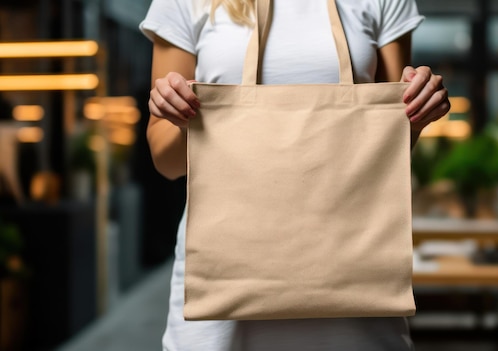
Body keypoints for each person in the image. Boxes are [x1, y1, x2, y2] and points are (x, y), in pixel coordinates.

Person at [139, 0, 450, 350]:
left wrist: (419, 109)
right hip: (227, 283)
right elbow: (166, 164)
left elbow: (385, 144)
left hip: (352, 272)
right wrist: (183, 123)